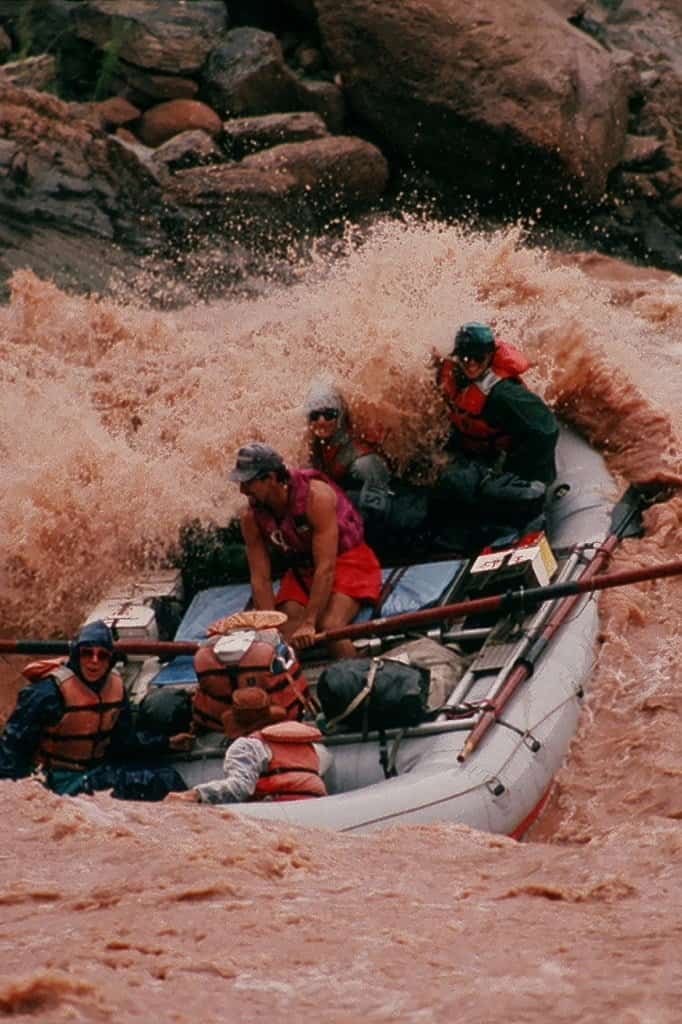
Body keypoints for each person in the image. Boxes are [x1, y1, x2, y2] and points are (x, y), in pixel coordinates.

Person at [0, 620, 193, 800]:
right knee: (150, 782)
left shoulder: (115, 687)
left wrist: (166, 743)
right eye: (87, 653)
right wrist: (19, 797)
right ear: (76, 654)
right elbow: (12, 749)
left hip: (97, 769)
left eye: (102, 655)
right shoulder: (46, 693)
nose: (94, 661)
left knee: (167, 777)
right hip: (57, 778)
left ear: (110, 660)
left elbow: (123, 743)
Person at [228, 442, 382, 660]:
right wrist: (268, 628)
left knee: (329, 627)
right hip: (303, 570)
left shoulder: (316, 498)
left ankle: (356, 679)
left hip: (348, 561)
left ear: (270, 478)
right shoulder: (250, 518)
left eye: (248, 482)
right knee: (283, 636)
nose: (242, 490)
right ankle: (288, 689)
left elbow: (326, 568)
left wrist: (310, 622)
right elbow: (260, 579)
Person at [432, 321, 559, 541]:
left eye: (478, 358)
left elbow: (546, 429)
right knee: (447, 486)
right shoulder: (452, 373)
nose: (470, 364)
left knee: (484, 491)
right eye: (464, 357)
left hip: (503, 457)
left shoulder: (503, 394)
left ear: (490, 356)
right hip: (470, 447)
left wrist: (524, 476)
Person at [167, 720, 328, 804]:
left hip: (276, 814)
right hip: (316, 809)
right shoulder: (313, 746)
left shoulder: (246, 746)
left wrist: (196, 795)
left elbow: (239, 788)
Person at [304, 377, 390, 496]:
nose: (321, 421)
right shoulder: (314, 447)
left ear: (340, 416)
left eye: (329, 415)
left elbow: (381, 505)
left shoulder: (364, 462)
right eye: (314, 415)